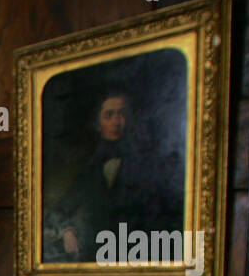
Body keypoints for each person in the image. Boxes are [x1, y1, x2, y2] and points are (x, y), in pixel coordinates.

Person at [43, 90, 184, 262]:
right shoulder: (92, 167)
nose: (116, 122)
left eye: (122, 114)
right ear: (98, 124)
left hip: (140, 255)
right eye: (109, 115)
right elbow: (60, 209)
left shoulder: (149, 163)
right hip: (98, 257)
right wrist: (67, 231)